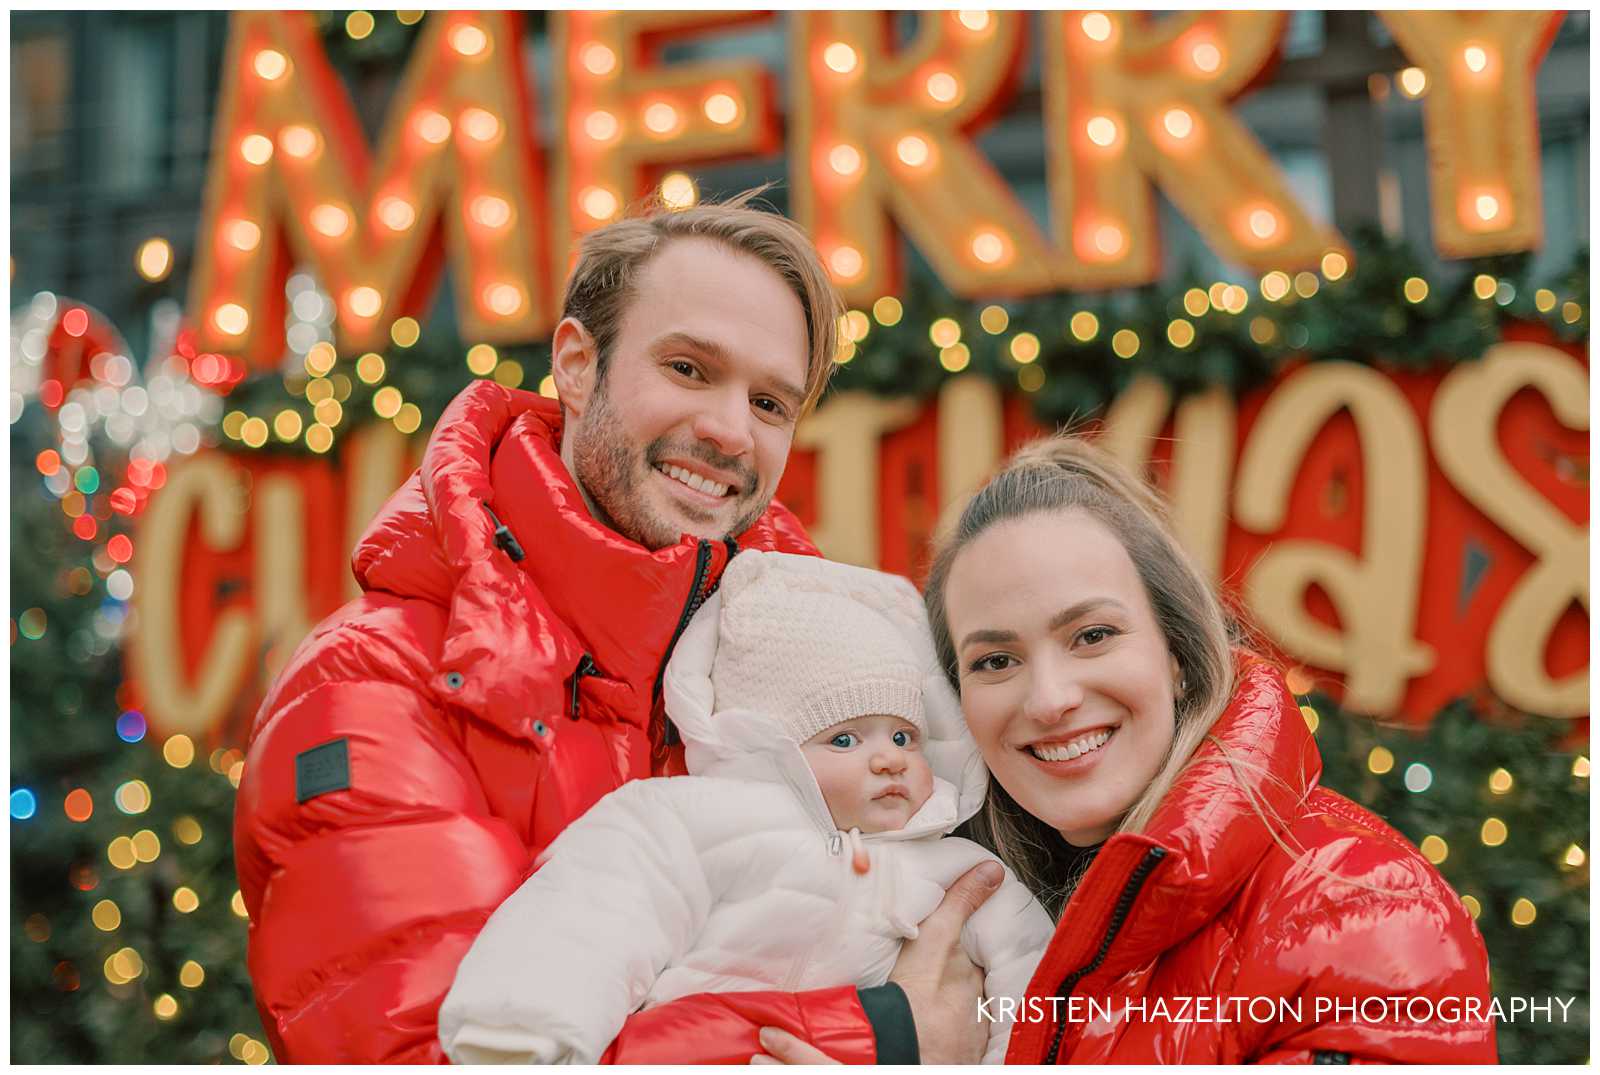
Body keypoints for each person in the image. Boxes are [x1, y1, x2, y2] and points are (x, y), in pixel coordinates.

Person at [232, 190, 999, 1064]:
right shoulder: (373, 689)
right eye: (688, 368)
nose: (727, 430)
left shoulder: (823, 673)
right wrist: (882, 1030)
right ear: (577, 363)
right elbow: (439, 1054)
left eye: (770, 403)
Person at [915, 434, 1498, 1064]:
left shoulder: (1358, 903)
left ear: (1179, 656)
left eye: (1092, 635)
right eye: (996, 661)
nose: (1048, 699)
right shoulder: (941, 912)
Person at [436, 551, 1054, 1065]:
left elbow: (1030, 985)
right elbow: (593, 909)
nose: (889, 760)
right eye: (844, 739)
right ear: (770, 748)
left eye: (903, 737)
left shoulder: (956, 869)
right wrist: (519, 1035)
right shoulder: (693, 821)